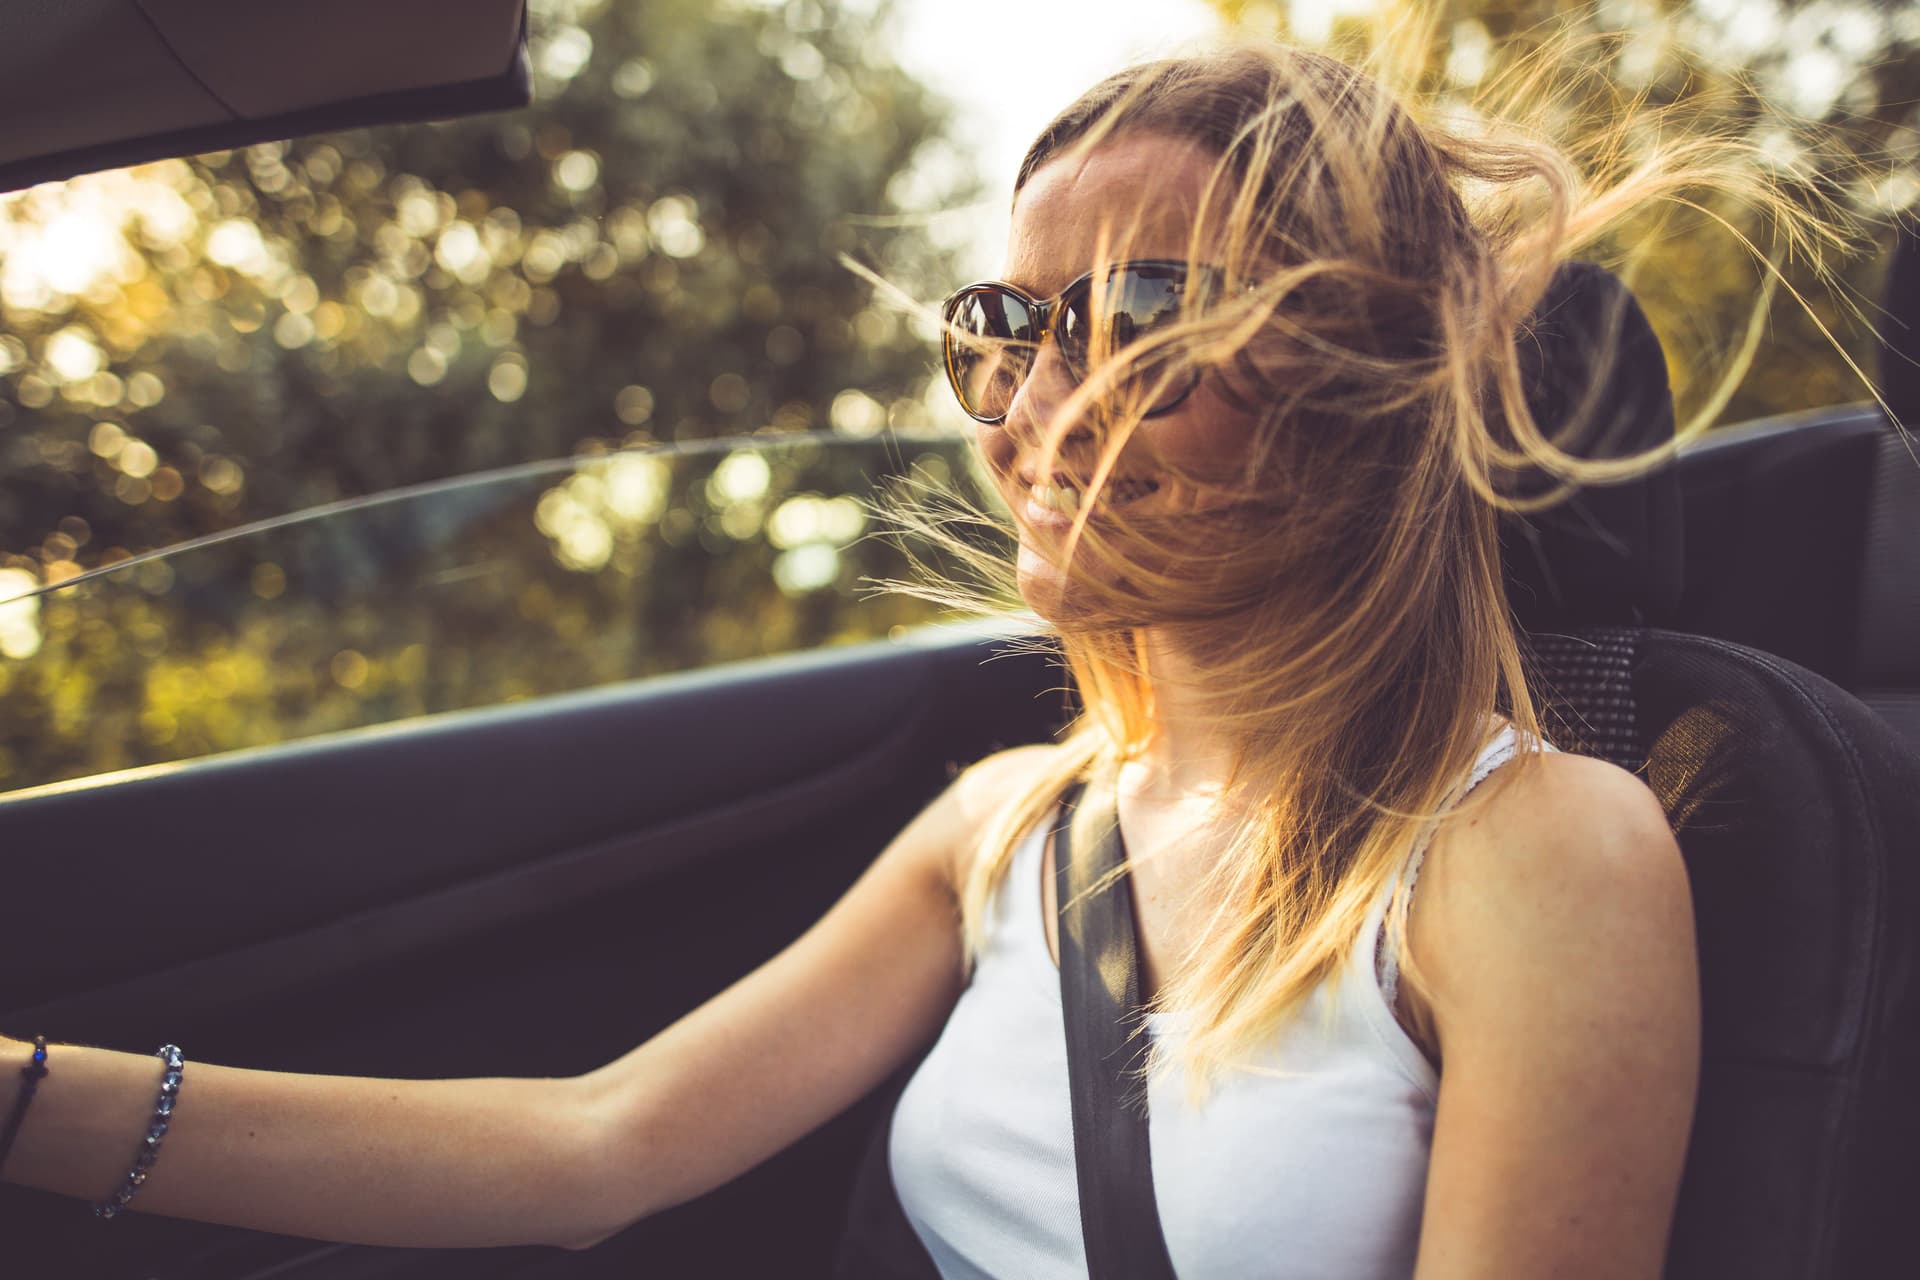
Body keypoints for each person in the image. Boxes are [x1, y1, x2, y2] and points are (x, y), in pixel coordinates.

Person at [0, 34, 1850, 1278]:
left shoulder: (1537, 855)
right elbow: (596, 1143)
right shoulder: (1012, 825)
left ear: (1370, 395)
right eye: (1000, 325)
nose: (1036, 401)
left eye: (1142, 320)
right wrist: (25, 1100)